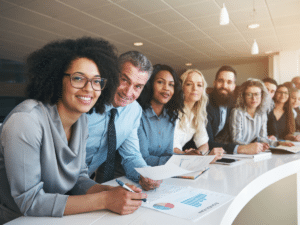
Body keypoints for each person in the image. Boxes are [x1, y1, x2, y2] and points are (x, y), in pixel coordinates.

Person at [0, 38, 146, 224]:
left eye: (96, 81)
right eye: (78, 78)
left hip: (56, 217)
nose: (89, 89)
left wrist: (108, 192)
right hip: (17, 219)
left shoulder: (81, 121)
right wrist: (104, 199)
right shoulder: (26, 121)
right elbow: (29, 202)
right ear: (57, 78)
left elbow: (78, 178)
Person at [86, 51, 162, 191]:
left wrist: (145, 174)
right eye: (125, 80)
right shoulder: (87, 99)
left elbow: (131, 155)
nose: (128, 93)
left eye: (138, 86)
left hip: (85, 182)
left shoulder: (134, 111)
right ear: (112, 74)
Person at [206, 65, 266, 154]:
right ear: (214, 83)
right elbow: (207, 143)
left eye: (229, 82)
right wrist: (241, 148)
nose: (224, 86)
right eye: (220, 81)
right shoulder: (206, 104)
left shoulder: (231, 105)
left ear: (234, 86)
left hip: (218, 153)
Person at [137, 64, 184, 166]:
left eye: (171, 84)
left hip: (158, 173)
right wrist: (179, 162)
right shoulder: (138, 114)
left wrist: (187, 158)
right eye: (160, 82)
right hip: (131, 176)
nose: (166, 88)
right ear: (150, 84)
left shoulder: (171, 116)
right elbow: (143, 158)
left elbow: (167, 154)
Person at [173, 69, 224, 160]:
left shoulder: (197, 113)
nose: (195, 88)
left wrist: (199, 153)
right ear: (181, 87)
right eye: (189, 84)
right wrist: (189, 155)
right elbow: (172, 148)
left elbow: (204, 144)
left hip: (181, 160)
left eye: (199, 85)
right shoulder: (173, 111)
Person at [230, 79, 292, 151]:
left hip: (254, 152)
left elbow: (262, 138)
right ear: (243, 96)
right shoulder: (237, 112)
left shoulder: (262, 113)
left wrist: (279, 143)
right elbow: (236, 140)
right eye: (249, 94)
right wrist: (253, 146)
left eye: (256, 94)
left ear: (262, 95)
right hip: (240, 152)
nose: (254, 98)